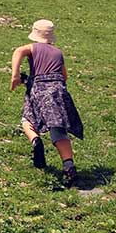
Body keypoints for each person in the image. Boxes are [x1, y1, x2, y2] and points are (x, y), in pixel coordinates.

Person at [10, 19, 84, 187]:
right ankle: (68, 166)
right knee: (58, 128)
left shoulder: (33, 48)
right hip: (59, 91)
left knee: (28, 120)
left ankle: (36, 141)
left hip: (40, 91)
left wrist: (15, 75)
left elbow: (18, 51)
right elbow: (64, 76)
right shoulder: (58, 52)